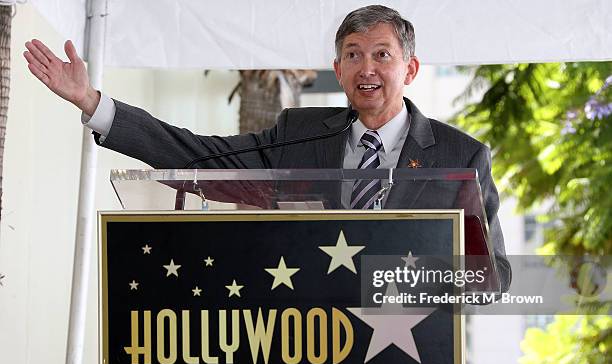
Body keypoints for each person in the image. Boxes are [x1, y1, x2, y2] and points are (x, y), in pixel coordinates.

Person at [23, 5, 511, 290]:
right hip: (301, 350)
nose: (367, 68)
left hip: (407, 359)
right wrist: (93, 102)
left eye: (382, 55)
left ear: (409, 69)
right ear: (337, 71)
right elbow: (198, 155)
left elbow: (495, 278)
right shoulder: (300, 134)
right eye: (353, 56)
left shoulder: (459, 157)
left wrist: (392, 279)